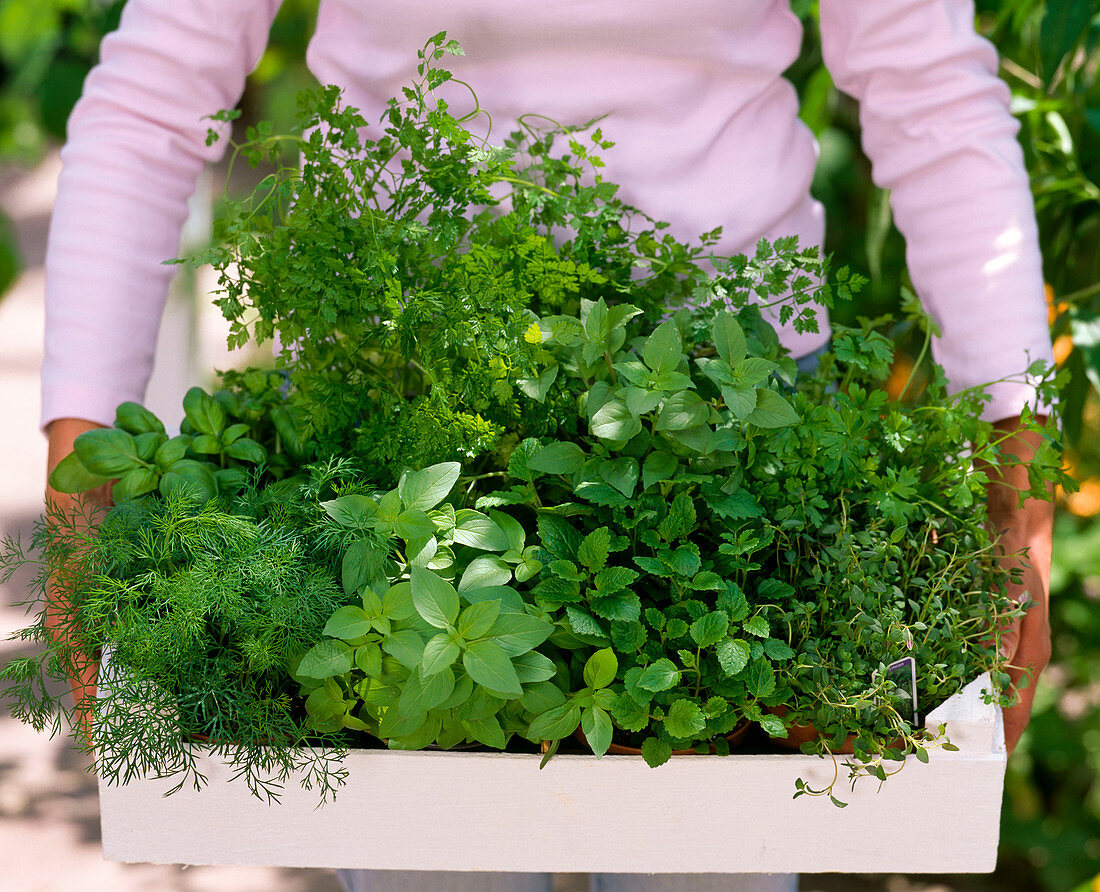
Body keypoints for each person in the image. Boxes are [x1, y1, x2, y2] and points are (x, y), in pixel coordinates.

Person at [41, 1, 1054, 890]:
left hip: (736, 418)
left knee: (710, 864)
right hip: (390, 416)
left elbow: (927, 86)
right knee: (437, 865)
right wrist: (79, 482)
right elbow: (154, 95)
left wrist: (1019, 463)